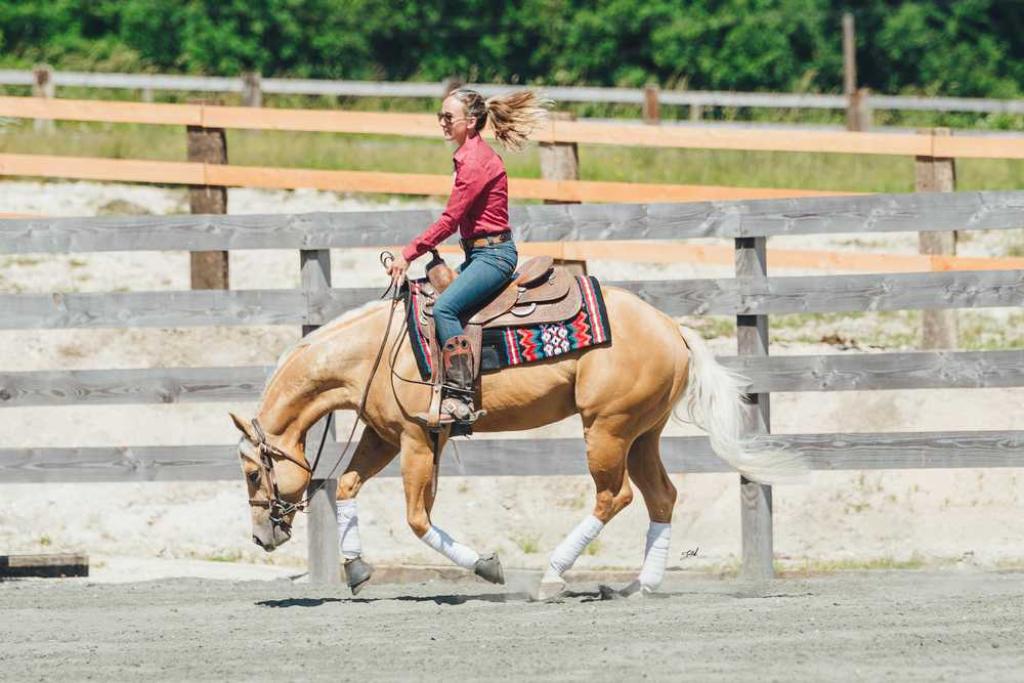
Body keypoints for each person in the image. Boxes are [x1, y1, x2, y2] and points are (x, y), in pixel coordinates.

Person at [386, 88, 549, 425]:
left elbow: (451, 220)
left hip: (493, 257)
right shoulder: (470, 155)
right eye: (440, 116)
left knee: (446, 308)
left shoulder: (475, 162)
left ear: (471, 122)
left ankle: (459, 398)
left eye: (449, 117)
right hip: (480, 254)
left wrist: (408, 254)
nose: (442, 123)